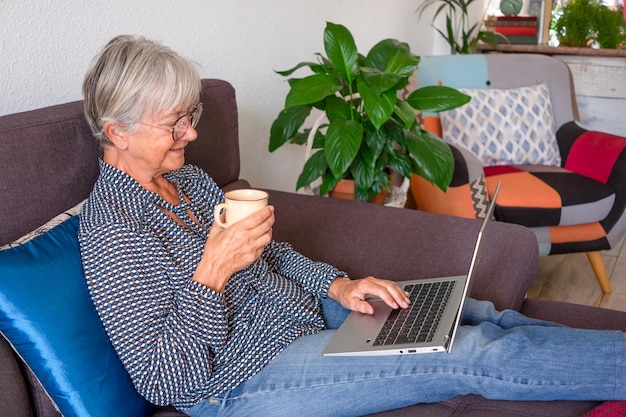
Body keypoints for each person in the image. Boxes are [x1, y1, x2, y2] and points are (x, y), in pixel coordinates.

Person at [78, 35, 626, 417]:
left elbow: (275, 255)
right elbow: (163, 380)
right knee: (472, 353)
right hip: (241, 379)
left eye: (190, 116)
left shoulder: (191, 181)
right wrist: (212, 271)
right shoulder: (113, 230)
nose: (191, 134)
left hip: (306, 313)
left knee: (472, 312)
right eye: (174, 122)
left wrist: (338, 284)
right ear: (117, 132)